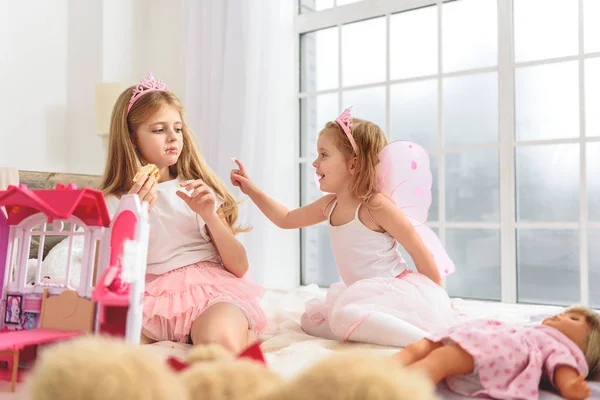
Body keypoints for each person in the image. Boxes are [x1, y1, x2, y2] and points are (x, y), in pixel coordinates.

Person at [230, 108, 459, 347]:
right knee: (311, 320)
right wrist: (252, 191)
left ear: (354, 164)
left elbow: (418, 249)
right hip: (360, 292)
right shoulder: (330, 205)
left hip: (392, 290)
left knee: (344, 316)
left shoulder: (375, 205)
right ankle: (368, 325)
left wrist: (438, 299)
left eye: (324, 155)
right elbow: (286, 218)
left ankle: (428, 342)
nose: (315, 163)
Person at [99, 73, 266, 352]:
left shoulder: (196, 190)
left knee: (218, 341)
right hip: (151, 297)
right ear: (131, 137)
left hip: (209, 292)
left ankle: (235, 338)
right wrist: (133, 215)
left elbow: (239, 266)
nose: (173, 138)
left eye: (177, 128)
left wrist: (210, 215)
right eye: (158, 130)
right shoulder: (115, 201)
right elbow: (112, 272)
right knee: (106, 346)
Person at [395, 306, 600, 400]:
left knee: (440, 359)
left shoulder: (562, 349)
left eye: (573, 319)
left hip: (499, 350)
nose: (560, 316)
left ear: (586, 344)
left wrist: (571, 386)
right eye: (564, 312)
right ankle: (383, 368)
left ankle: (392, 389)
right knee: (422, 346)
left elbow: (564, 370)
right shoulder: (537, 330)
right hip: (480, 337)